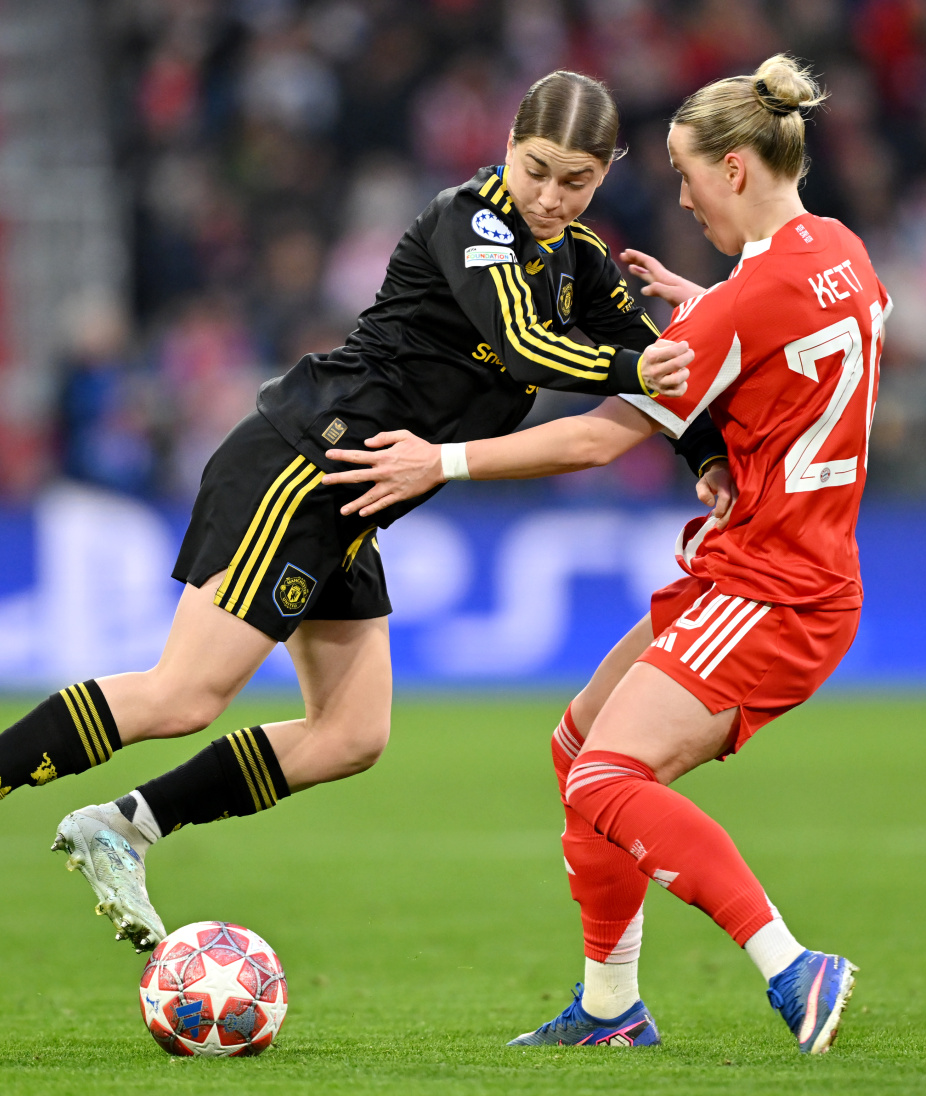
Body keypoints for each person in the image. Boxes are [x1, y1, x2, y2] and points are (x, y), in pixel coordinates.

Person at [0, 71, 714, 952]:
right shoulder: (471, 221)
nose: (549, 195)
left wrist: (704, 458)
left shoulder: (578, 262)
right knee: (185, 694)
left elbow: (654, 363)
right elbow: (526, 346)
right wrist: (636, 370)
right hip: (304, 460)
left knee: (351, 735)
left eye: (575, 181)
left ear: (606, 174)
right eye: (536, 168)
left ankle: (124, 827)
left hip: (358, 492)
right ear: (508, 142)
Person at [325, 55, 886, 1054]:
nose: (678, 195)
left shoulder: (729, 312)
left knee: (606, 781)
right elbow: (788, 320)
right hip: (783, 568)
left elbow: (590, 440)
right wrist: (712, 297)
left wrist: (440, 460)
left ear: (735, 170)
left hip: (772, 585)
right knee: (577, 745)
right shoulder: (841, 252)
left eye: (685, 173)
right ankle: (609, 1005)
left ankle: (791, 964)